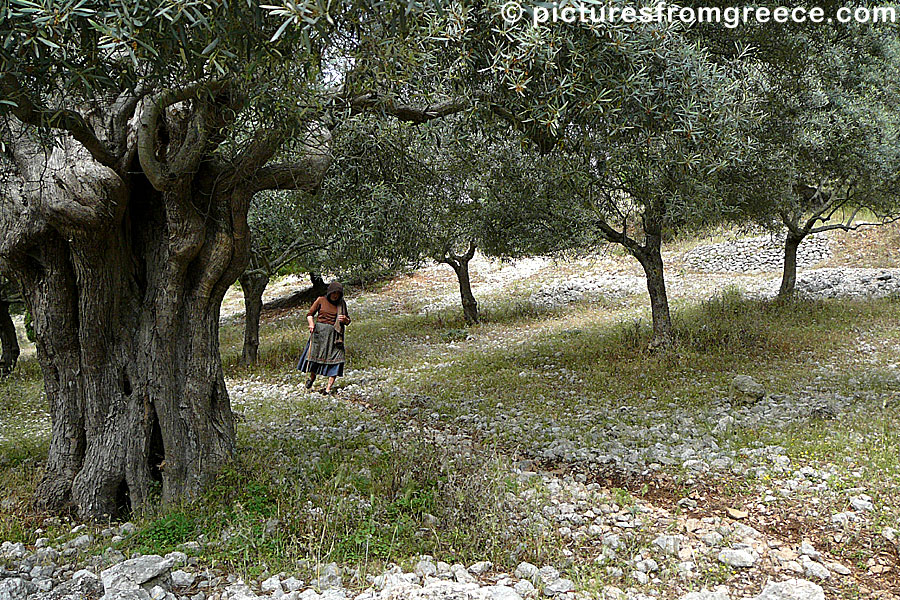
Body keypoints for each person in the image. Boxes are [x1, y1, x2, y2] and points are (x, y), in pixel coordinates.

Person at [297, 281, 350, 394]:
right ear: (329, 292)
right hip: (320, 334)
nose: (335, 295)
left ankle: (328, 389)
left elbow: (348, 320)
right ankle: (312, 378)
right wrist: (311, 324)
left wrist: (344, 320)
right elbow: (310, 314)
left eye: (338, 293)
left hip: (335, 336)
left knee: (337, 359)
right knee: (315, 357)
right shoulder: (321, 300)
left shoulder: (342, 304)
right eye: (333, 293)